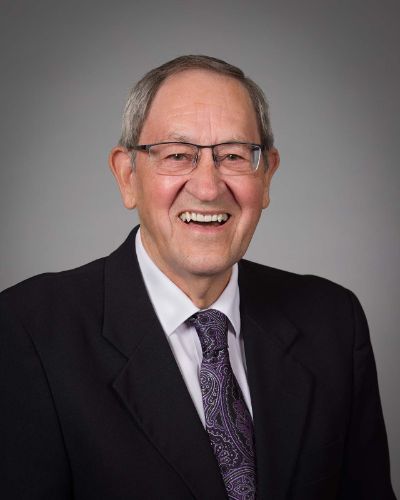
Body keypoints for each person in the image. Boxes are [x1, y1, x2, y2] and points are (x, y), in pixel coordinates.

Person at [0, 55, 396, 500]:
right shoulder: (28, 331)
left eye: (233, 155)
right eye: (177, 155)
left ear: (266, 176)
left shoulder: (333, 322)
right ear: (127, 175)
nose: (208, 188)